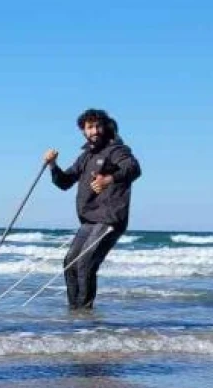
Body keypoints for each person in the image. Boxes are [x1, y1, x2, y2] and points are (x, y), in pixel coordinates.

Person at [44, 108, 141, 310]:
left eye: (98, 126)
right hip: (89, 220)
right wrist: (53, 166)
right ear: (83, 131)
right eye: (90, 127)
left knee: (85, 264)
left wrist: (108, 179)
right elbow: (64, 182)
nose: (94, 131)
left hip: (110, 218)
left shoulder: (116, 150)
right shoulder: (86, 156)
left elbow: (133, 168)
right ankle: (75, 313)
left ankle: (84, 318)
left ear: (105, 127)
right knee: (70, 263)